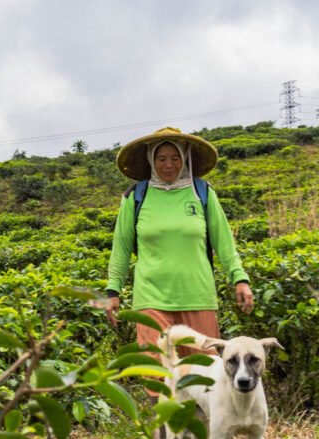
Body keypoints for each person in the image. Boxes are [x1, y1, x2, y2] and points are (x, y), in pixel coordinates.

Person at [104, 127, 254, 374]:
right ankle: (161, 413)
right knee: (156, 371)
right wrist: (113, 290)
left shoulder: (202, 192)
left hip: (197, 294)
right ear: (151, 160)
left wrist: (240, 279)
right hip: (151, 296)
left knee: (205, 373)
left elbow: (224, 242)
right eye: (161, 159)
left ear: (185, 159)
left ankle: (199, 415)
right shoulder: (136, 196)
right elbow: (120, 247)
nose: (168, 165)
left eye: (175, 158)